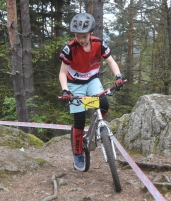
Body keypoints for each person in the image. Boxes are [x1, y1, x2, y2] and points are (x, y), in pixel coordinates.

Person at [59, 13, 123, 171]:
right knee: (79, 120)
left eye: (84, 36)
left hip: (92, 80)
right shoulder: (70, 48)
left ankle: (95, 123)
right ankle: (78, 152)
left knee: (104, 104)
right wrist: (65, 90)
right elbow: (62, 73)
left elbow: (110, 60)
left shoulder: (98, 44)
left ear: (91, 33)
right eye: (78, 36)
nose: (81, 39)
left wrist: (118, 76)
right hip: (74, 85)